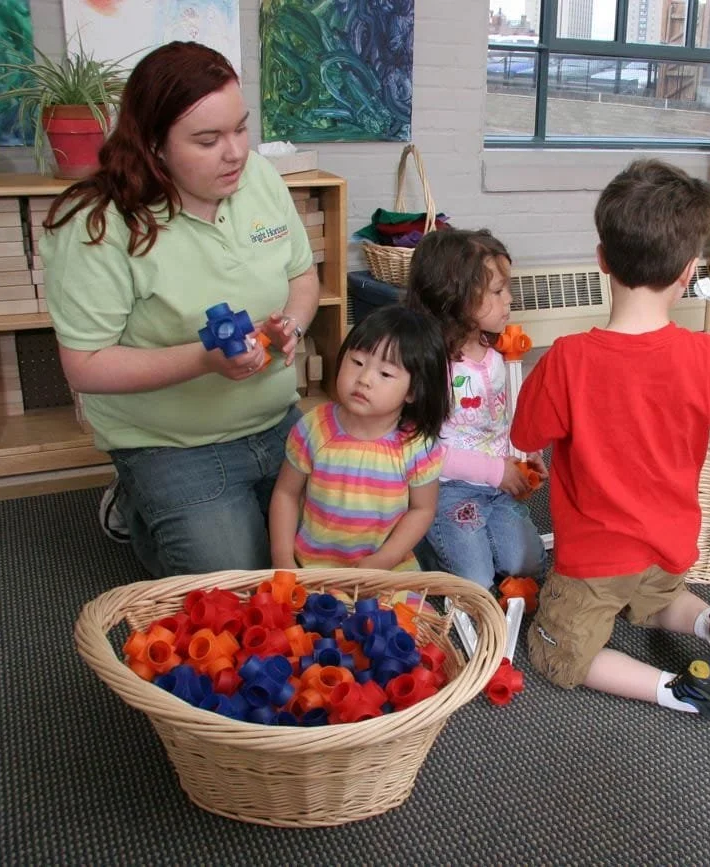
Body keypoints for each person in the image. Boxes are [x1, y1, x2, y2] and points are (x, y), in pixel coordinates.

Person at [512, 160, 710, 722]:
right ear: (689, 271)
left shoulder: (568, 358)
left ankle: (678, 689)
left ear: (601, 260)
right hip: (670, 550)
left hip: (594, 561)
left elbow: (525, 436)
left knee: (552, 651)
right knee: (658, 601)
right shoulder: (709, 357)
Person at [40, 42, 320, 577]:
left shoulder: (259, 178)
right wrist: (205, 360)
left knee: (339, 544)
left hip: (274, 418)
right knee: (237, 583)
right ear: (153, 145)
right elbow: (86, 366)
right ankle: (136, 504)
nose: (235, 152)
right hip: (171, 442)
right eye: (208, 140)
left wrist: (293, 325)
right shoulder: (97, 225)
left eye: (240, 128)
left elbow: (301, 278)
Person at [404, 229, 548, 589]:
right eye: (497, 292)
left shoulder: (496, 351)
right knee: (477, 581)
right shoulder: (431, 365)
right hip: (450, 488)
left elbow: (510, 411)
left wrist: (529, 451)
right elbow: (421, 449)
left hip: (500, 487)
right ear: (455, 297)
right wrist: (493, 470)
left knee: (527, 564)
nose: (509, 301)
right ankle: (421, 536)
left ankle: (474, 537)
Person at [269, 305, 449, 570]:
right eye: (357, 362)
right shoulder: (314, 427)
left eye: (385, 374)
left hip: (386, 572)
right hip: (314, 570)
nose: (364, 379)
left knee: (410, 613)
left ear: (413, 391)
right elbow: (286, 493)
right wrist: (282, 558)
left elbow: (422, 510)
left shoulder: (416, 446)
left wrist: (383, 560)